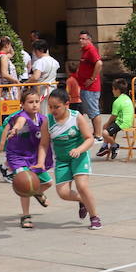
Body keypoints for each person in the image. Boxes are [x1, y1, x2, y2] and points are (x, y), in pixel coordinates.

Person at [46, 89, 101, 229]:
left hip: (79, 156)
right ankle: (83, 201)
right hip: (62, 160)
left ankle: (94, 217)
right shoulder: (48, 121)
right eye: (50, 106)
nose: (53, 110)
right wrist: (40, 162)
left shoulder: (76, 117)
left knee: (82, 186)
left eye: (56, 106)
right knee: (63, 193)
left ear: (67, 104)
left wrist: (79, 149)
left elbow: (90, 139)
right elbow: (42, 144)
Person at [1, 89, 52, 229]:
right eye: (30, 102)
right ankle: (25, 216)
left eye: (37, 101)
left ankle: (37, 192)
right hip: (17, 156)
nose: (34, 105)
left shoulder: (43, 119)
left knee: (48, 183)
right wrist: (15, 129)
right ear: (22, 104)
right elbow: (19, 123)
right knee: (25, 184)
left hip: (33, 155)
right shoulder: (22, 116)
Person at [97, 77, 134, 160]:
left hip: (122, 123)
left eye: (113, 89)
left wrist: (107, 124)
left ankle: (114, 145)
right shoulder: (127, 97)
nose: (112, 91)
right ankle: (105, 146)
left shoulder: (117, 102)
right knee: (105, 127)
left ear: (117, 90)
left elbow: (113, 116)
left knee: (105, 133)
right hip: (127, 121)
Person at [74, 31, 103, 121]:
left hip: (91, 88)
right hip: (85, 87)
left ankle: (98, 134)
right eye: (80, 39)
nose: (80, 41)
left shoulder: (91, 50)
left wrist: (92, 78)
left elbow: (99, 63)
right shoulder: (85, 50)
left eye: (83, 39)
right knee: (91, 113)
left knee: (94, 112)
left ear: (89, 40)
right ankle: (95, 133)